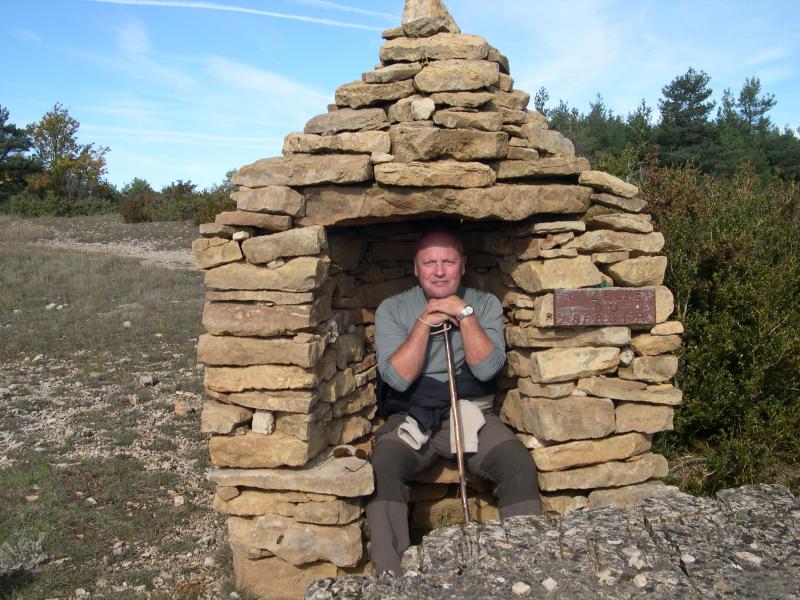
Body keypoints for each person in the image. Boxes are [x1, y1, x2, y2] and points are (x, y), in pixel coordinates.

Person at [366, 226, 541, 574]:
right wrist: (422, 325)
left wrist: (465, 315)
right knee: (384, 464)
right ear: (416, 268)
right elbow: (396, 378)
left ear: (463, 265)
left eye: (448, 261)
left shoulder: (486, 303)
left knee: (516, 463)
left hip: (472, 414)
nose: (440, 270)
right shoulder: (394, 308)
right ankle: (391, 577)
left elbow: (488, 368)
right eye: (429, 262)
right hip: (414, 416)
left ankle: (524, 569)